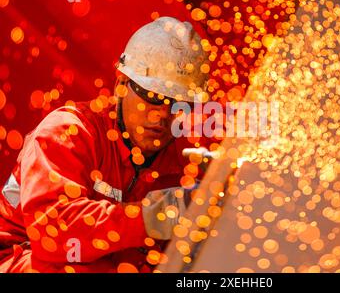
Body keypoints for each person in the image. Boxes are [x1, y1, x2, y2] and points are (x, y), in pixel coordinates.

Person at [0, 17, 209, 272]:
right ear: (121, 84)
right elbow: (53, 235)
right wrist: (148, 218)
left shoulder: (181, 167)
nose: (163, 115)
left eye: (180, 105)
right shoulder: (68, 132)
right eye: (153, 97)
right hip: (21, 257)